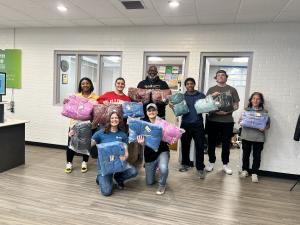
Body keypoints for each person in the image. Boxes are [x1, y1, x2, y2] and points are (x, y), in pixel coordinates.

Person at [91, 111, 138, 196]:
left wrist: (125, 157)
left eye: (116, 118)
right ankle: (99, 177)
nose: (114, 120)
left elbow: (126, 152)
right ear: (109, 120)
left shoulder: (123, 135)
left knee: (133, 171)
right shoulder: (101, 133)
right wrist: (75, 136)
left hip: (118, 164)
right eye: (112, 118)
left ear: (119, 120)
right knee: (106, 192)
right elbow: (89, 144)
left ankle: (118, 178)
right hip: (105, 166)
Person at [205, 70, 240, 175]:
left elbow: (236, 105)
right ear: (216, 78)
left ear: (226, 77)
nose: (221, 77)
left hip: (227, 121)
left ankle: (225, 164)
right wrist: (216, 111)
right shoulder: (211, 89)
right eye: (218, 75)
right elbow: (206, 103)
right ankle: (211, 162)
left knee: (226, 144)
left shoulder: (232, 89)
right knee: (211, 143)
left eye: (223, 75)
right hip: (212, 120)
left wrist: (227, 112)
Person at [64, 77, 98, 174]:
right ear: (80, 85)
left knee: (86, 144)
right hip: (75, 124)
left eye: (87, 83)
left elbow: (97, 112)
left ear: (90, 85)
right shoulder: (75, 96)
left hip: (88, 125)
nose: (85, 85)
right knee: (71, 144)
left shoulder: (95, 97)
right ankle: (69, 163)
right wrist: (65, 102)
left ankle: (84, 162)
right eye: (83, 83)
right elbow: (69, 108)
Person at [177, 78, 207, 179]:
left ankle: (200, 168)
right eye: (188, 84)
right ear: (185, 86)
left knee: (200, 146)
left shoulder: (201, 95)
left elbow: (207, 107)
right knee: (185, 145)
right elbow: (178, 110)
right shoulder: (181, 97)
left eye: (191, 83)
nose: (190, 85)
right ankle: (185, 164)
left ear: (194, 84)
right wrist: (173, 107)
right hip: (185, 124)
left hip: (198, 125)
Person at [137, 103, 170, 195]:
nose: (151, 112)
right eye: (149, 110)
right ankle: (155, 167)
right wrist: (142, 143)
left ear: (157, 111)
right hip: (149, 154)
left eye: (153, 110)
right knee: (149, 182)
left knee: (164, 168)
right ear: (146, 113)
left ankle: (162, 185)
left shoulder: (163, 122)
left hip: (162, 150)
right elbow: (140, 139)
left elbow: (170, 136)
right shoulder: (143, 124)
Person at [240, 92, 270, 183]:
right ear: (251, 100)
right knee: (245, 155)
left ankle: (254, 173)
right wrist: (240, 121)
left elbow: (268, 125)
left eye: (258, 99)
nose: (255, 100)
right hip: (246, 136)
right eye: (253, 98)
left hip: (258, 137)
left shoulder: (265, 112)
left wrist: (264, 128)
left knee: (257, 156)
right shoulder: (246, 110)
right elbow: (240, 121)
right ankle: (245, 170)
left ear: (261, 101)